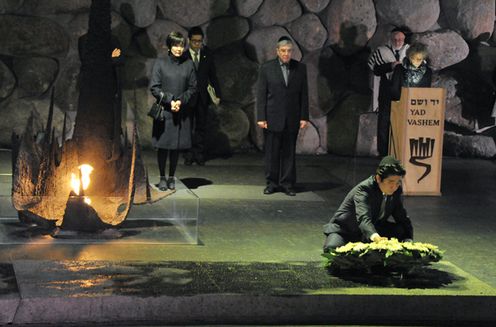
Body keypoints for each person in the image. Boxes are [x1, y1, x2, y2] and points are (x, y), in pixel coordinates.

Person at [322, 156, 413, 252]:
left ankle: (368, 241)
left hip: (373, 228)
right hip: (347, 230)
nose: (394, 186)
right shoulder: (364, 190)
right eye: (391, 182)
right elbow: (363, 218)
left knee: (400, 230)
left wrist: (408, 240)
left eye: (398, 182)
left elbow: (401, 216)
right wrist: (376, 237)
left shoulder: (396, 190)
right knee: (332, 248)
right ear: (378, 178)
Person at [256, 36, 309, 196]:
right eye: (283, 51)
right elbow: (261, 94)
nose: (286, 54)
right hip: (272, 117)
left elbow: (304, 95)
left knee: (289, 152)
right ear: (277, 51)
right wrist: (261, 117)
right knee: (271, 152)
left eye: (289, 51)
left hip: (292, 117)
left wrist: (304, 117)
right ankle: (271, 183)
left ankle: (287, 183)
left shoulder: (300, 68)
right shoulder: (267, 68)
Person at [149, 32, 197, 191]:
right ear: (169, 46)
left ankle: (171, 177)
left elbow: (193, 88)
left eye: (182, 45)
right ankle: (162, 177)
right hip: (165, 110)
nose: (179, 49)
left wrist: (180, 101)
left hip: (180, 111)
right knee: (163, 146)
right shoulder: (160, 63)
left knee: (175, 147)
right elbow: (154, 87)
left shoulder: (189, 64)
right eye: (176, 45)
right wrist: (171, 100)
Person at [368, 27, 410, 156]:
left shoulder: (410, 51)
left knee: (404, 122)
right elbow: (375, 69)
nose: (398, 41)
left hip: (405, 91)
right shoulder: (382, 51)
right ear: (391, 39)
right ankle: (383, 153)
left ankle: (402, 151)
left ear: (404, 39)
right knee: (384, 123)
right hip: (386, 91)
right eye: (395, 39)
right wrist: (390, 66)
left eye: (400, 39)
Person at [184, 26, 222, 166]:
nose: (197, 44)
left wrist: (217, 94)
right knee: (187, 126)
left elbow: (213, 76)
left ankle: (199, 154)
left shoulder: (207, 54)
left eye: (200, 41)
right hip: (188, 97)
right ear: (189, 41)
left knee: (201, 125)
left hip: (202, 97)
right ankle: (188, 154)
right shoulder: (184, 56)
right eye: (194, 41)